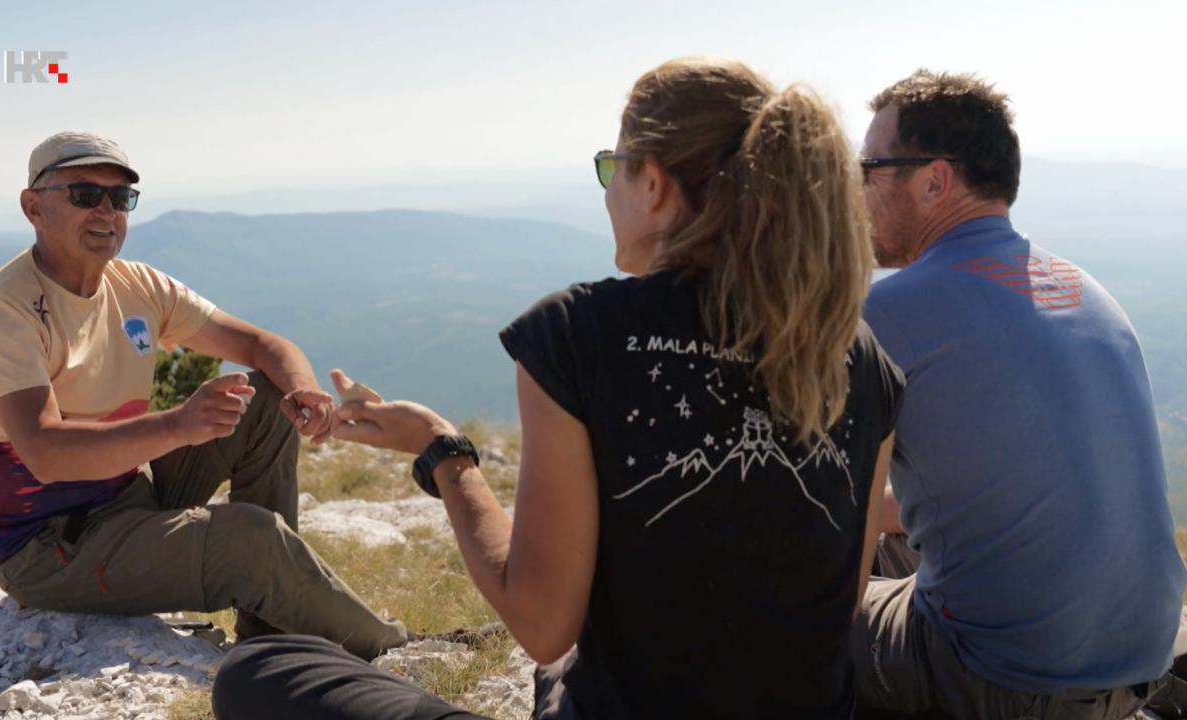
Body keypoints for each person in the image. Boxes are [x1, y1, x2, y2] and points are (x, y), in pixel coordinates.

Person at [213, 56, 904, 720]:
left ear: (654, 182)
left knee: (260, 672)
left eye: (613, 168)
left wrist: (441, 451)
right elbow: (836, 608)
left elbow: (544, 625)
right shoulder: (857, 355)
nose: (607, 192)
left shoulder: (580, 333)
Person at [0, 131, 409, 660]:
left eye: (120, 199)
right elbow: (46, 453)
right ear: (33, 207)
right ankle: (398, 653)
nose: (105, 210)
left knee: (262, 395)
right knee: (249, 538)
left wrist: (304, 391)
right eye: (83, 194)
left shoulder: (135, 286)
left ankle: (268, 630)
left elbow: (261, 344)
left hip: (122, 495)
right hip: (50, 547)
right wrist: (177, 425)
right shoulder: (1, 310)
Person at [851, 70, 1187, 719]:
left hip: (1002, 680)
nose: (855, 190)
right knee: (894, 547)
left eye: (868, 168)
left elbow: (819, 512)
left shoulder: (884, 314)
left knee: (755, 603)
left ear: (933, 180)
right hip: (1140, 659)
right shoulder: (1084, 290)